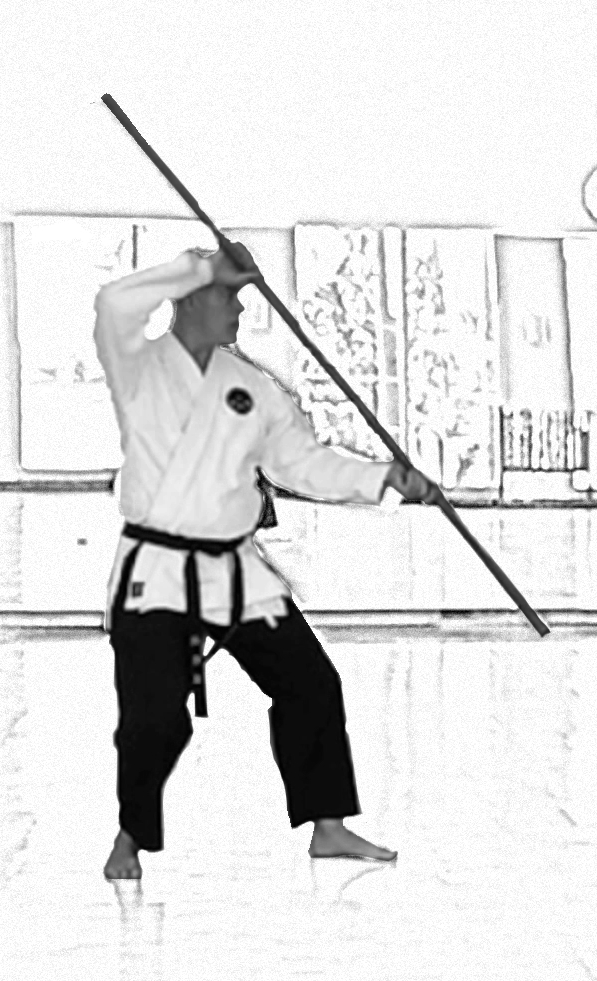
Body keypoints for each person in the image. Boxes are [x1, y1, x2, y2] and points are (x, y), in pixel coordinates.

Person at [92, 238, 436, 881]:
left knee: (310, 683)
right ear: (190, 301)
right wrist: (200, 265)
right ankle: (130, 836)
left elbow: (302, 464)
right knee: (153, 719)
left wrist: (382, 478)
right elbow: (115, 303)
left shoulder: (251, 387)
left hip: (234, 568)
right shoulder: (138, 365)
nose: (241, 310)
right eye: (230, 297)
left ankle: (328, 825)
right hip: (156, 570)